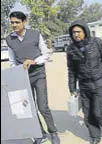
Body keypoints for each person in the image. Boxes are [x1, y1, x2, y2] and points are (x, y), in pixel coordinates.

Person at [5, 11, 60, 144]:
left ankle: (53, 132)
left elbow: (46, 54)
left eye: (17, 22)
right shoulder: (9, 39)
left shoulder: (35, 34)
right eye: (12, 22)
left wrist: (33, 61)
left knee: (42, 106)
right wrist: (14, 76)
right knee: (29, 109)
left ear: (24, 22)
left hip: (38, 74)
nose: (14, 25)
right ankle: (40, 134)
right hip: (22, 78)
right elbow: (12, 60)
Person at [66, 20, 102, 144]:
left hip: (99, 83)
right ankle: (95, 136)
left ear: (85, 31)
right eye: (73, 32)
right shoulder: (71, 49)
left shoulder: (97, 42)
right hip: (84, 85)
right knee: (87, 112)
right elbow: (71, 70)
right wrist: (72, 88)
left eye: (78, 31)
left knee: (98, 112)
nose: (76, 34)